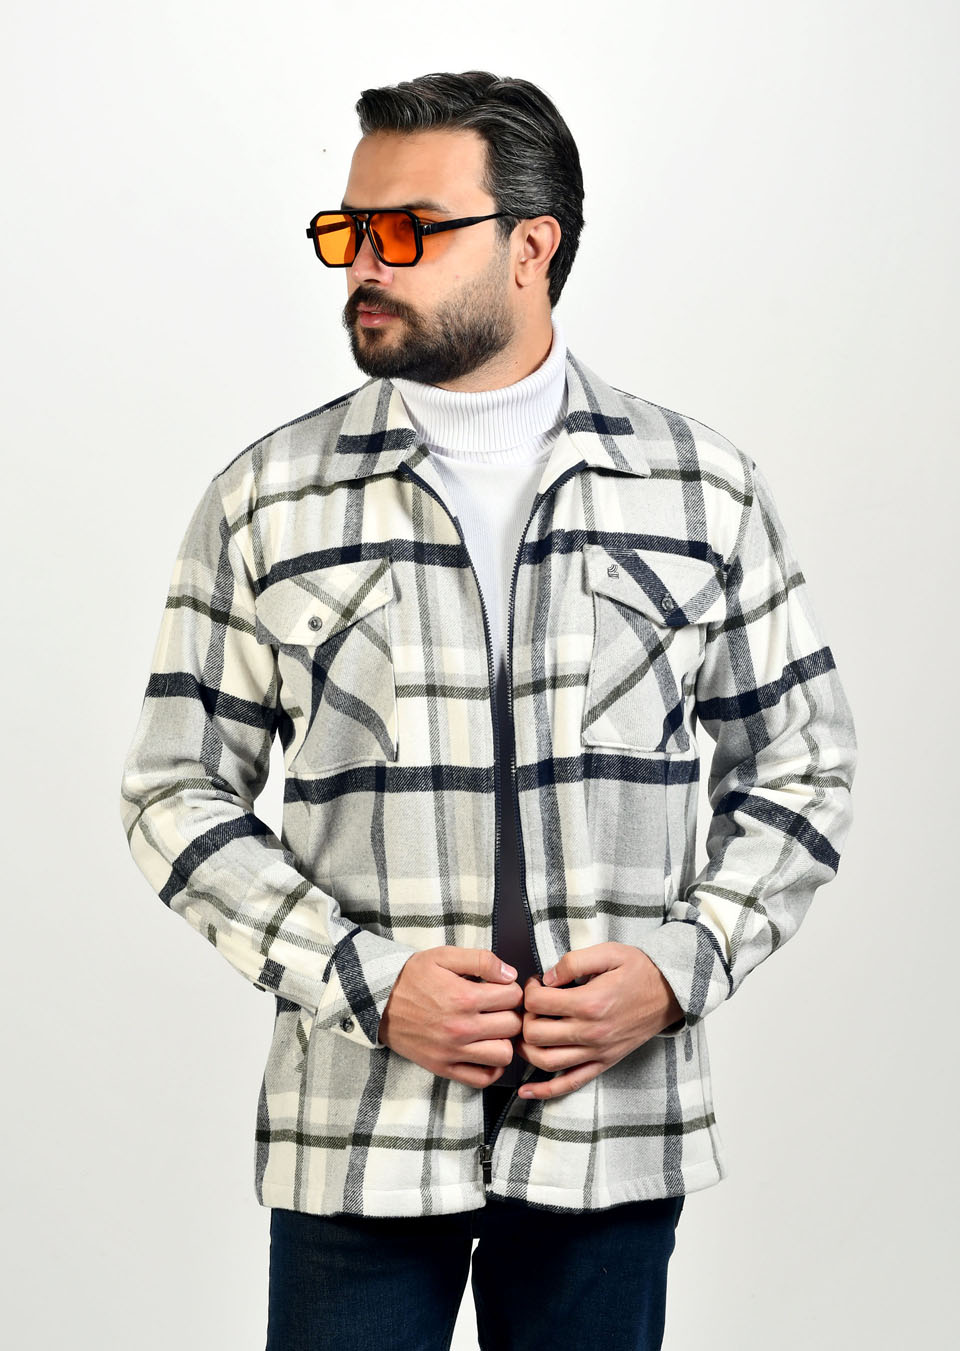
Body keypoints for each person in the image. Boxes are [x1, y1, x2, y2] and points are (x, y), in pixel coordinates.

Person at [119, 70, 857, 1351]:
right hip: (359, 1132)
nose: (364, 264)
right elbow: (173, 790)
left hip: (610, 1129)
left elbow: (804, 762)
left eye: (408, 231)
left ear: (532, 246)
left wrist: (678, 969)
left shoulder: (701, 489)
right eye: (349, 230)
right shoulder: (268, 496)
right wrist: (362, 979)